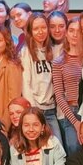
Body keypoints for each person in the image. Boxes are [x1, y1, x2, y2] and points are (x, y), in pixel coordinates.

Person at [20, 12, 61, 140]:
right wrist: (34, 111)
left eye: (43, 27)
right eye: (36, 28)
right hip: (36, 109)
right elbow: (25, 83)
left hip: (51, 109)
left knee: (57, 145)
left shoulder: (53, 50)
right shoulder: (26, 52)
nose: (40, 32)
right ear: (30, 31)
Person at [52, 14, 83, 154]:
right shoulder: (59, 62)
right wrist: (75, 122)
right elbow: (59, 95)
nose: (75, 34)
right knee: (73, 149)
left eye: (79, 31)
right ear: (66, 33)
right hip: (71, 110)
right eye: (71, 30)